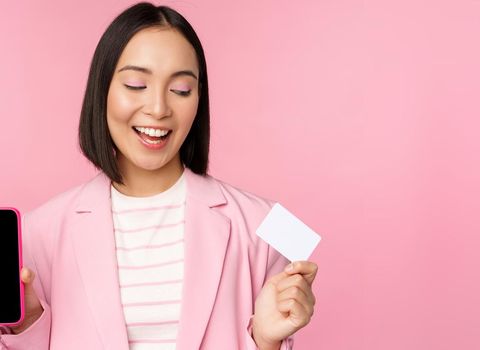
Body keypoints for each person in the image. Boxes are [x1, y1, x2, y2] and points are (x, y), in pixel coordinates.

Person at [0, 3, 317, 349]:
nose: (158, 108)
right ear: (102, 90)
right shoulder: (33, 235)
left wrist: (267, 340)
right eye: (136, 85)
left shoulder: (266, 225)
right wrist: (26, 328)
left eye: (181, 90)